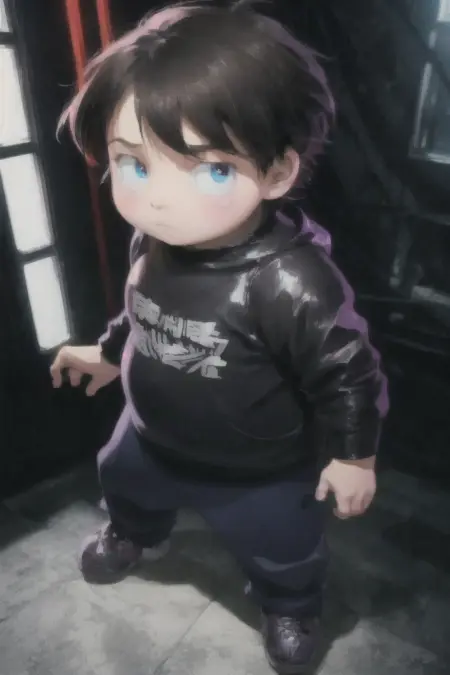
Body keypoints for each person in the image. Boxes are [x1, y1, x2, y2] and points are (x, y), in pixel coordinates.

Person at [50, 2, 388, 673]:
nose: (158, 198)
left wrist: (354, 455)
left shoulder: (289, 280)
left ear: (277, 172)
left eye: (211, 169)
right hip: (149, 435)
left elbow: (348, 371)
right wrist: (110, 352)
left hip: (259, 467)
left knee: (283, 543)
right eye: (133, 164)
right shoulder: (153, 238)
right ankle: (133, 531)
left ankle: (289, 602)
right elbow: (141, 308)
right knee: (122, 478)